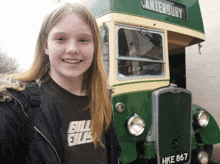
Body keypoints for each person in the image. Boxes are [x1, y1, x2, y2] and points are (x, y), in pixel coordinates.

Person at [0, 2, 120, 164]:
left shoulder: (102, 100)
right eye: (61, 38)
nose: (72, 49)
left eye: (83, 40)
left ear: (94, 47)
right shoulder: (16, 105)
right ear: (46, 46)